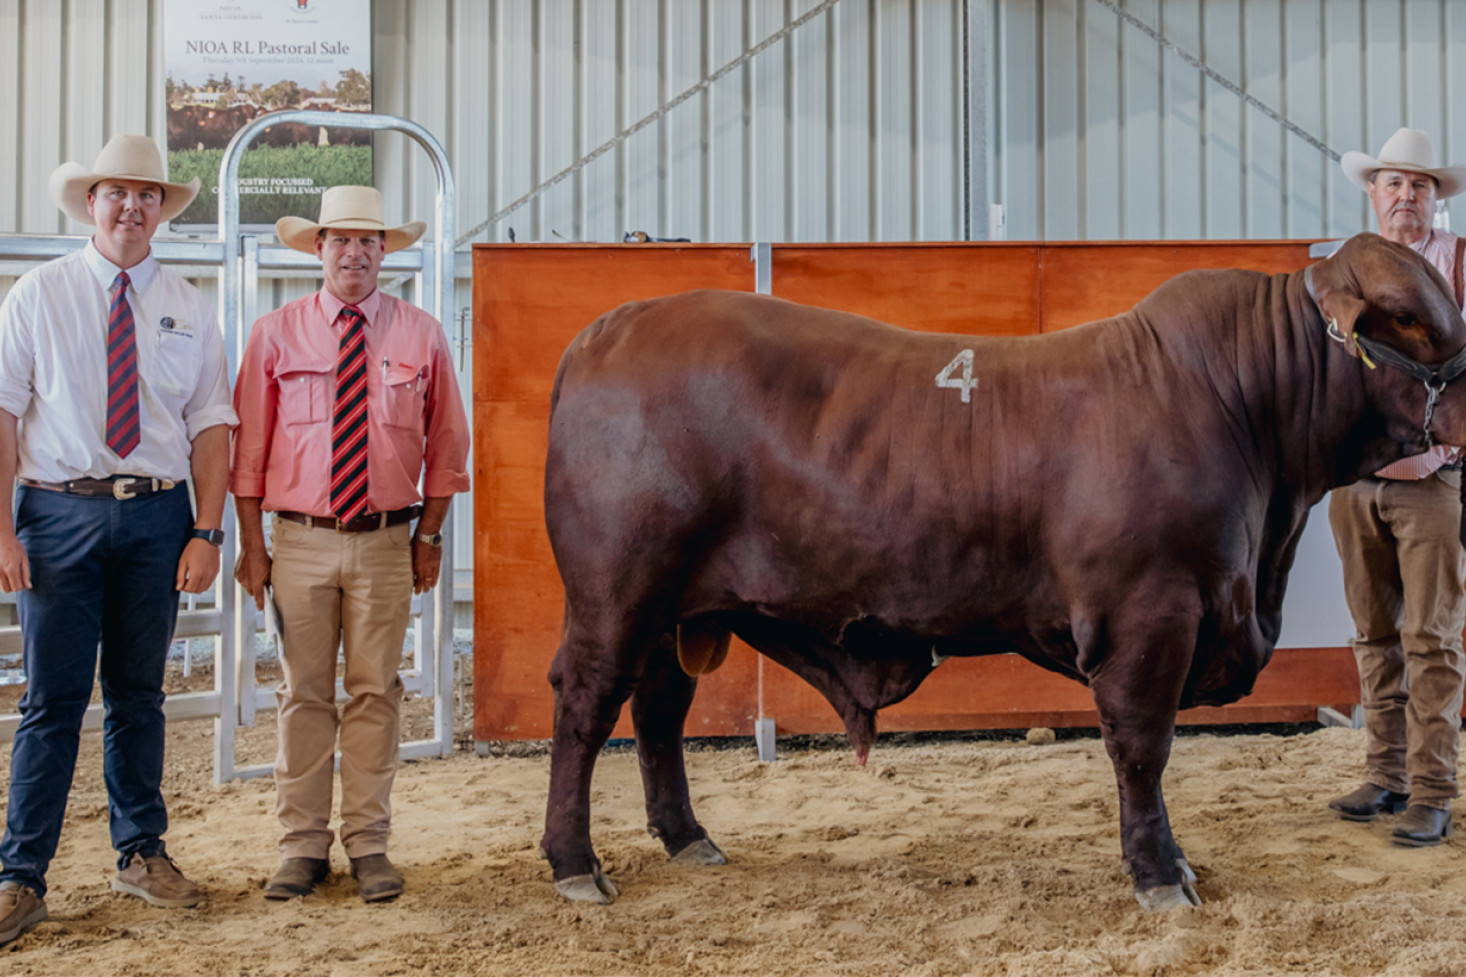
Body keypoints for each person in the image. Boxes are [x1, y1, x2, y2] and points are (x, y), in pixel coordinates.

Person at [0, 134, 237, 944]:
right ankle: (21, 875)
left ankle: (140, 851)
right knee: (50, 702)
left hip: (156, 518)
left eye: (147, 195)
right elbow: (2, 416)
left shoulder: (187, 306)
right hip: (57, 512)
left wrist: (207, 529)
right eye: (116, 193)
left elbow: (211, 426)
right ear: (91, 204)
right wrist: (2, 529)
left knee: (140, 694)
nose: (131, 207)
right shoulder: (38, 294)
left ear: (161, 211)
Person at [231, 185, 469, 902]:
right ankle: (301, 847)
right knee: (303, 693)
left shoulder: (421, 334)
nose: (355, 253)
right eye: (341, 239)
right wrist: (252, 544)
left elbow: (449, 446)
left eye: (369, 241)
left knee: (375, 692)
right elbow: (248, 451)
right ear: (318, 248)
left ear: (386, 251)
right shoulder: (275, 334)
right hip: (299, 540)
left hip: (386, 541)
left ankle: (369, 843)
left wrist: (428, 536)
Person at [1327, 127, 1466, 847]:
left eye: (1419, 184)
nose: (1405, 195)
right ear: (1374, 194)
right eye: (1393, 183)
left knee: (1431, 637)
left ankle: (1434, 789)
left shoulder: (1461, 266)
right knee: (1375, 633)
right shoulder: (1347, 270)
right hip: (1355, 480)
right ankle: (1387, 773)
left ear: (1435, 198)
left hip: (1430, 478)